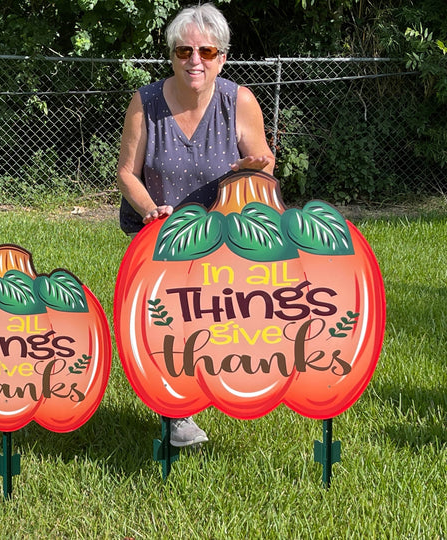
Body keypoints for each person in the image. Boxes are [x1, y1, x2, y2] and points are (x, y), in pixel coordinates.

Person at [116, 3, 275, 448]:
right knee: (168, 326)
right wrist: (150, 211)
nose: (195, 61)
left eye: (206, 51)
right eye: (184, 51)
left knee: (217, 323)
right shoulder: (144, 102)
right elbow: (126, 171)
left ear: (222, 56)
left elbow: (263, 160)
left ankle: (207, 394)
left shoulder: (238, 100)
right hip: (162, 237)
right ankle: (176, 413)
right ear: (171, 55)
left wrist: (254, 167)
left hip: (222, 237)